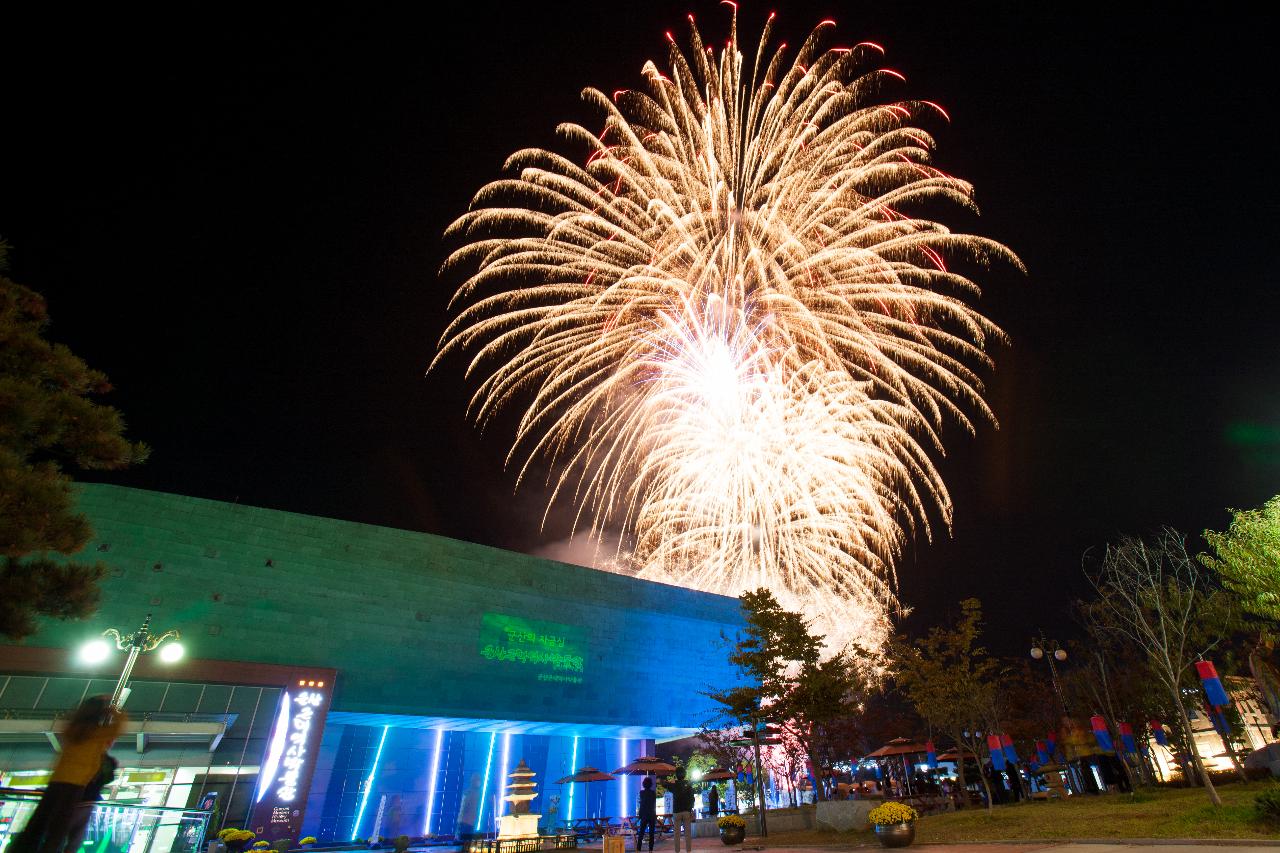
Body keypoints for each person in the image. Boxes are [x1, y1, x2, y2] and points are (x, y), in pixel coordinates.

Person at [10, 696, 126, 853]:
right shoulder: (98, 734)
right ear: (100, 714)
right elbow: (120, 726)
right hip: (75, 784)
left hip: (57, 780)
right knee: (59, 829)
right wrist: (113, 710)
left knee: (39, 822)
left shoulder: (73, 730)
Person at [62, 754, 117, 853]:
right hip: (87, 803)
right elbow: (109, 778)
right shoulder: (101, 760)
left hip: (77, 802)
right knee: (75, 838)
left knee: (64, 836)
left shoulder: (85, 760)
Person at [666, 768, 695, 853]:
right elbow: (692, 798)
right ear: (684, 774)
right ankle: (688, 851)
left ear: (676, 775)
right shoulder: (688, 784)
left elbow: (664, 784)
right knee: (687, 833)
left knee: (677, 834)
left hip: (676, 811)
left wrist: (670, 781)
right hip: (686, 811)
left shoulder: (674, 785)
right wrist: (690, 808)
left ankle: (677, 851)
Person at [456, 774, 482, 841]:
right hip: (465, 823)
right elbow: (464, 807)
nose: (479, 782)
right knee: (463, 843)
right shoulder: (469, 792)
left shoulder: (475, 793)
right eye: (477, 780)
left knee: (466, 843)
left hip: (469, 823)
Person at [635, 777, 657, 853]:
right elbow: (654, 805)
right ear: (651, 784)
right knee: (651, 834)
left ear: (643, 784)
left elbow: (641, 805)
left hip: (644, 815)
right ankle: (650, 850)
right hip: (651, 815)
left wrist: (640, 815)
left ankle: (638, 849)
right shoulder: (653, 793)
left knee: (641, 833)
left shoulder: (641, 793)